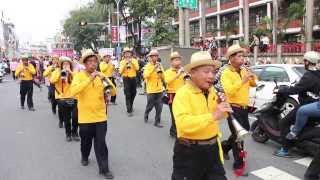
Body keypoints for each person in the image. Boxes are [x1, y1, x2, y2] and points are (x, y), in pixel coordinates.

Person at [171, 51, 232, 180]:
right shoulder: (183, 94)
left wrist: (224, 106)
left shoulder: (213, 91)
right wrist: (213, 115)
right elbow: (183, 124)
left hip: (213, 150)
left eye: (213, 72)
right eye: (206, 71)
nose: (211, 76)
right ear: (192, 72)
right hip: (189, 152)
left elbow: (221, 115)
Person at [70, 49, 116, 179]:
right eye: (89, 61)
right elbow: (74, 91)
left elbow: (113, 93)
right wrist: (90, 79)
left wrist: (105, 80)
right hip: (85, 118)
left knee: (101, 143)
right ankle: (85, 156)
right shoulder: (79, 76)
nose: (93, 64)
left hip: (100, 117)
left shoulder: (101, 76)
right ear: (84, 64)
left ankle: (104, 168)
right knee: (86, 142)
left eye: (95, 61)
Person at [219, 44, 256, 175]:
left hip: (244, 108)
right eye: (239, 56)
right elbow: (229, 91)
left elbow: (254, 84)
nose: (243, 59)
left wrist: (251, 75)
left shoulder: (244, 70)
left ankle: (224, 146)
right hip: (233, 108)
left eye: (243, 56)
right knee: (239, 137)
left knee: (241, 132)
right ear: (231, 58)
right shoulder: (226, 73)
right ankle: (238, 166)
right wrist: (242, 81)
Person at [274, 51, 320, 157]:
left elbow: (296, 89)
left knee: (284, 123)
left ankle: (285, 150)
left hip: (306, 105)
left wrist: (281, 90)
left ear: (307, 62)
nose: (303, 63)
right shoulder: (317, 73)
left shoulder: (308, 75)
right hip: (314, 105)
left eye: (304, 61)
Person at [50, 56, 79, 141]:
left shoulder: (74, 72)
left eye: (68, 64)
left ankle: (75, 133)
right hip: (62, 99)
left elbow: (79, 79)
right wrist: (60, 73)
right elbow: (52, 81)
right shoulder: (56, 71)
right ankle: (68, 134)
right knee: (66, 119)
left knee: (75, 117)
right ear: (61, 65)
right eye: (64, 64)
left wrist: (70, 72)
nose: (66, 65)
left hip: (74, 97)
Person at [164, 52, 187, 137]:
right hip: (172, 95)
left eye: (179, 60)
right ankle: (173, 131)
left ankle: (177, 130)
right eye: (176, 60)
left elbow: (187, 82)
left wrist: (186, 75)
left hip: (183, 95)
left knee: (182, 114)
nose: (178, 62)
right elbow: (167, 81)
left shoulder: (183, 71)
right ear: (171, 62)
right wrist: (177, 74)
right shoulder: (167, 72)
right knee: (174, 114)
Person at [143, 49, 165, 128]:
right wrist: (153, 69)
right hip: (151, 90)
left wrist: (161, 72)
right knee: (150, 106)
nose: (155, 58)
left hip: (159, 90)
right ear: (150, 57)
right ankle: (146, 113)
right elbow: (145, 76)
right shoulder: (147, 66)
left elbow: (163, 77)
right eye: (153, 56)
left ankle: (157, 122)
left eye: (156, 56)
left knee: (159, 107)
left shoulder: (160, 65)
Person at [119, 47, 139, 116]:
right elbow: (120, 71)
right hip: (126, 78)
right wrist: (125, 63)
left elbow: (137, 68)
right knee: (127, 94)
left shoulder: (134, 60)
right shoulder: (122, 62)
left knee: (134, 93)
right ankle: (129, 110)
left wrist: (131, 62)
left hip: (133, 78)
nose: (127, 54)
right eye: (126, 53)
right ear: (124, 54)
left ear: (131, 53)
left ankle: (131, 104)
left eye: (128, 52)